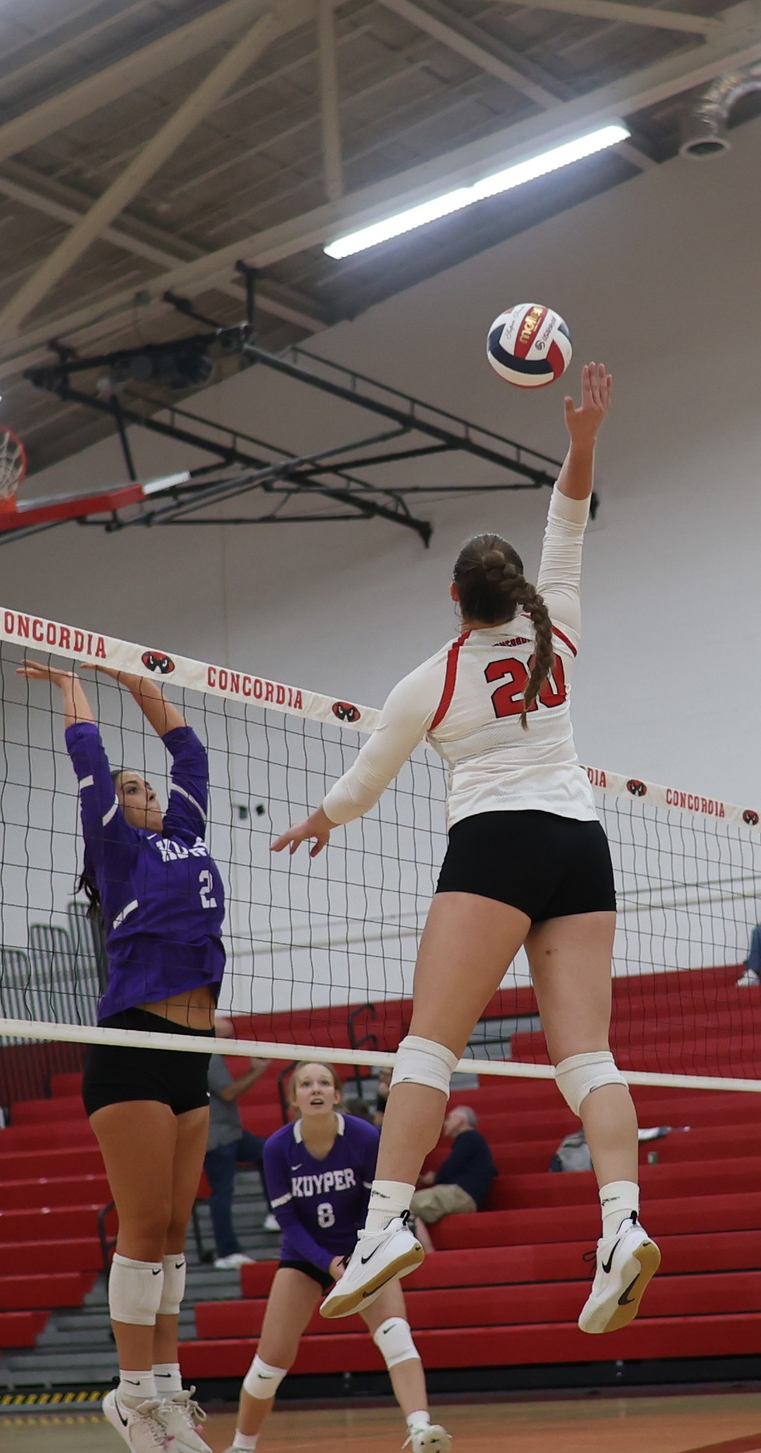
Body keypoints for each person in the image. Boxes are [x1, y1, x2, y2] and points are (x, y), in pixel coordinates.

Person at [272, 366, 657, 1340]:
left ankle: (386, 1218)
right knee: (587, 1057)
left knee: (427, 1048)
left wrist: (320, 818)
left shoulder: (427, 681)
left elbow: (360, 790)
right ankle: (620, 1224)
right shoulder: (555, 631)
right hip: (581, 845)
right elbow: (568, 514)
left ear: (453, 598)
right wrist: (582, 435)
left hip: (494, 848)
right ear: (516, 591)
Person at [21, 656, 228, 1453]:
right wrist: (79, 686)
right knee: (143, 1230)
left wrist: (134, 676)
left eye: (143, 786)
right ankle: (130, 1391)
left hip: (191, 1055)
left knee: (175, 1234)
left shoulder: (186, 835)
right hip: (133, 1047)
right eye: (129, 787)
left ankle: (168, 1388)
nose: (143, 791)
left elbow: (192, 757)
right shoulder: (116, 852)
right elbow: (87, 758)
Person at [218, 1062, 451, 1453]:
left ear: (338, 1094)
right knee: (269, 1362)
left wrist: (360, 1258)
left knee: (396, 1335)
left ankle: (421, 1433)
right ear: (294, 1099)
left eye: (324, 1082)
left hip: (362, 1248)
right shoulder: (276, 1149)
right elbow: (288, 1222)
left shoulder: (363, 1137)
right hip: (305, 1258)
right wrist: (327, 1263)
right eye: (305, 1084)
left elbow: (378, 1202)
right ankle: (241, 1448)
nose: (315, 1089)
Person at [206, 1053, 272, 1268]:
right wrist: (257, 1071)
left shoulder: (207, 1051)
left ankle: (276, 1212)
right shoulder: (207, 1054)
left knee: (268, 1152)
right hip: (218, 1137)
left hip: (231, 1133)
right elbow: (228, 1093)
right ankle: (226, 1251)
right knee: (222, 1193)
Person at [412, 1105, 496, 1251]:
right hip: (467, 1196)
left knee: (406, 1205)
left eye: (450, 1118)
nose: (445, 1123)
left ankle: (429, 1253)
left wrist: (434, 1178)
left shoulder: (469, 1137)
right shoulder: (475, 1142)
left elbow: (449, 1169)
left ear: (459, 1120)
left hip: (460, 1194)